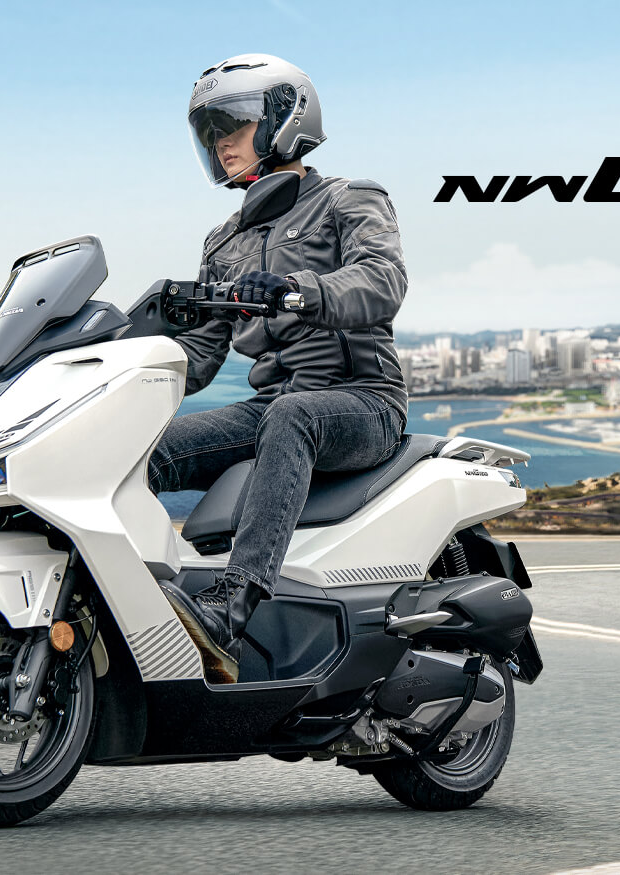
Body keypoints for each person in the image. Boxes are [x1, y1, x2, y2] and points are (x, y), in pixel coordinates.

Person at [152, 54, 408, 683]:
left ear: (281, 121)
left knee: (292, 415)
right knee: (144, 448)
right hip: (269, 410)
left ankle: (231, 609)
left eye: (232, 127)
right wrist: (118, 363)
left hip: (363, 400)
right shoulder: (224, 241)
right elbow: (199, 358)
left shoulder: (349, 199)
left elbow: (382, 280)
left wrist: (298, 290)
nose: (220, 145)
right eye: (210, 133)